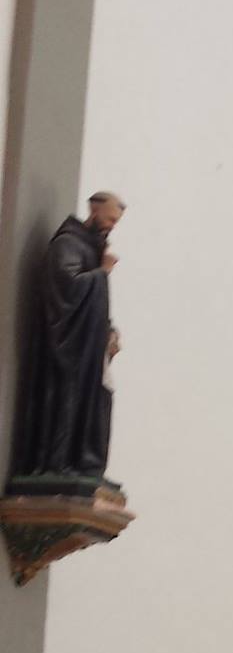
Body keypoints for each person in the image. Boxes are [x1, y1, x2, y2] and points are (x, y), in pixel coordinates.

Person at [14, 191, 125, 483]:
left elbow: (95, 305)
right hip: (67, 349)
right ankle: (58, 463)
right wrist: (102, 273)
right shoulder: (68, 244)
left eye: (116, 222)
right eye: (110, 219)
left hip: (88, 348)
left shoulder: (92, 249)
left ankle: (85, 464)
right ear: (94, 210)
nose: (112, 226)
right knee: (67, 401)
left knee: (98, 402)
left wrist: (109, 332)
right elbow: (66, 288)